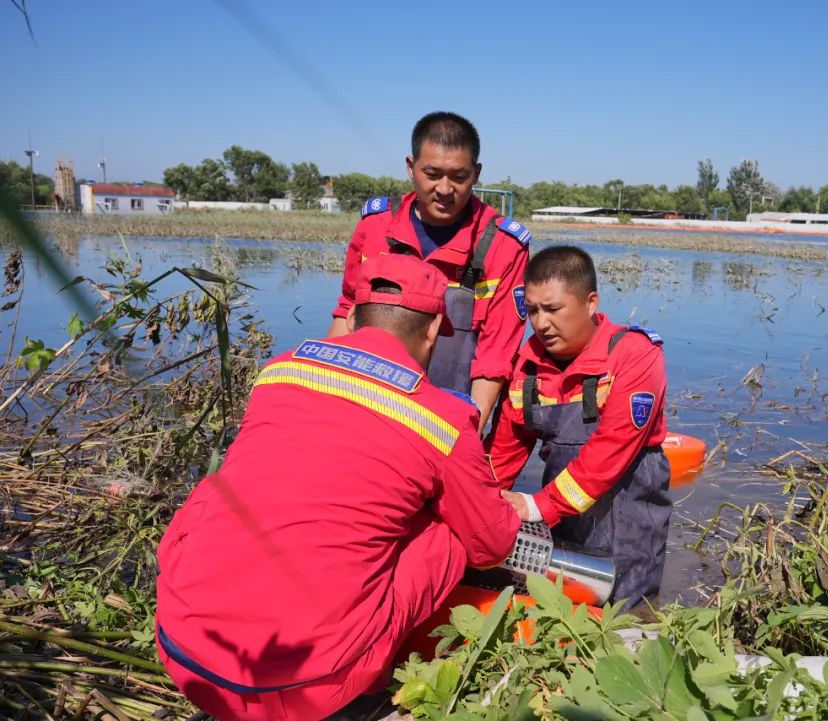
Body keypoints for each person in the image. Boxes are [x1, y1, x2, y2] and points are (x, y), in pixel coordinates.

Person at [156, 253, 521, 721]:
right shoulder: (442, 419)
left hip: (182, 652)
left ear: (351, 317)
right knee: (451, 531)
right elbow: (491, 543)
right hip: (306, 690)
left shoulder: (279, 371)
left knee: (220, 488)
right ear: (432, 330)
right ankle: (372, 684)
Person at [486, 246, 671, 608]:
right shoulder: (527, 367)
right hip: (562, 508)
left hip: (628, 512)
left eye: (553, 309)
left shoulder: (634, 354)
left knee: (628, 612)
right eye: (533, 311)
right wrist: (483, 500)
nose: (541, 323)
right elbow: (504, 451)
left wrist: (537, 506)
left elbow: (610, 452)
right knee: (565, 601)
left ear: (590, 302)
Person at [328, 111, 530, 430]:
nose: (445, 189)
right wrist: (328, 403)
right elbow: (347, 313)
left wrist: (466, 433)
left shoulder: (503, 246)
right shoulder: (375, 227)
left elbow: (496, 355)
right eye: (432, 174)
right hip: (367, 406)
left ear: (476, 174)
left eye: (459, 177)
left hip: (448, 414)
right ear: (411, 167)